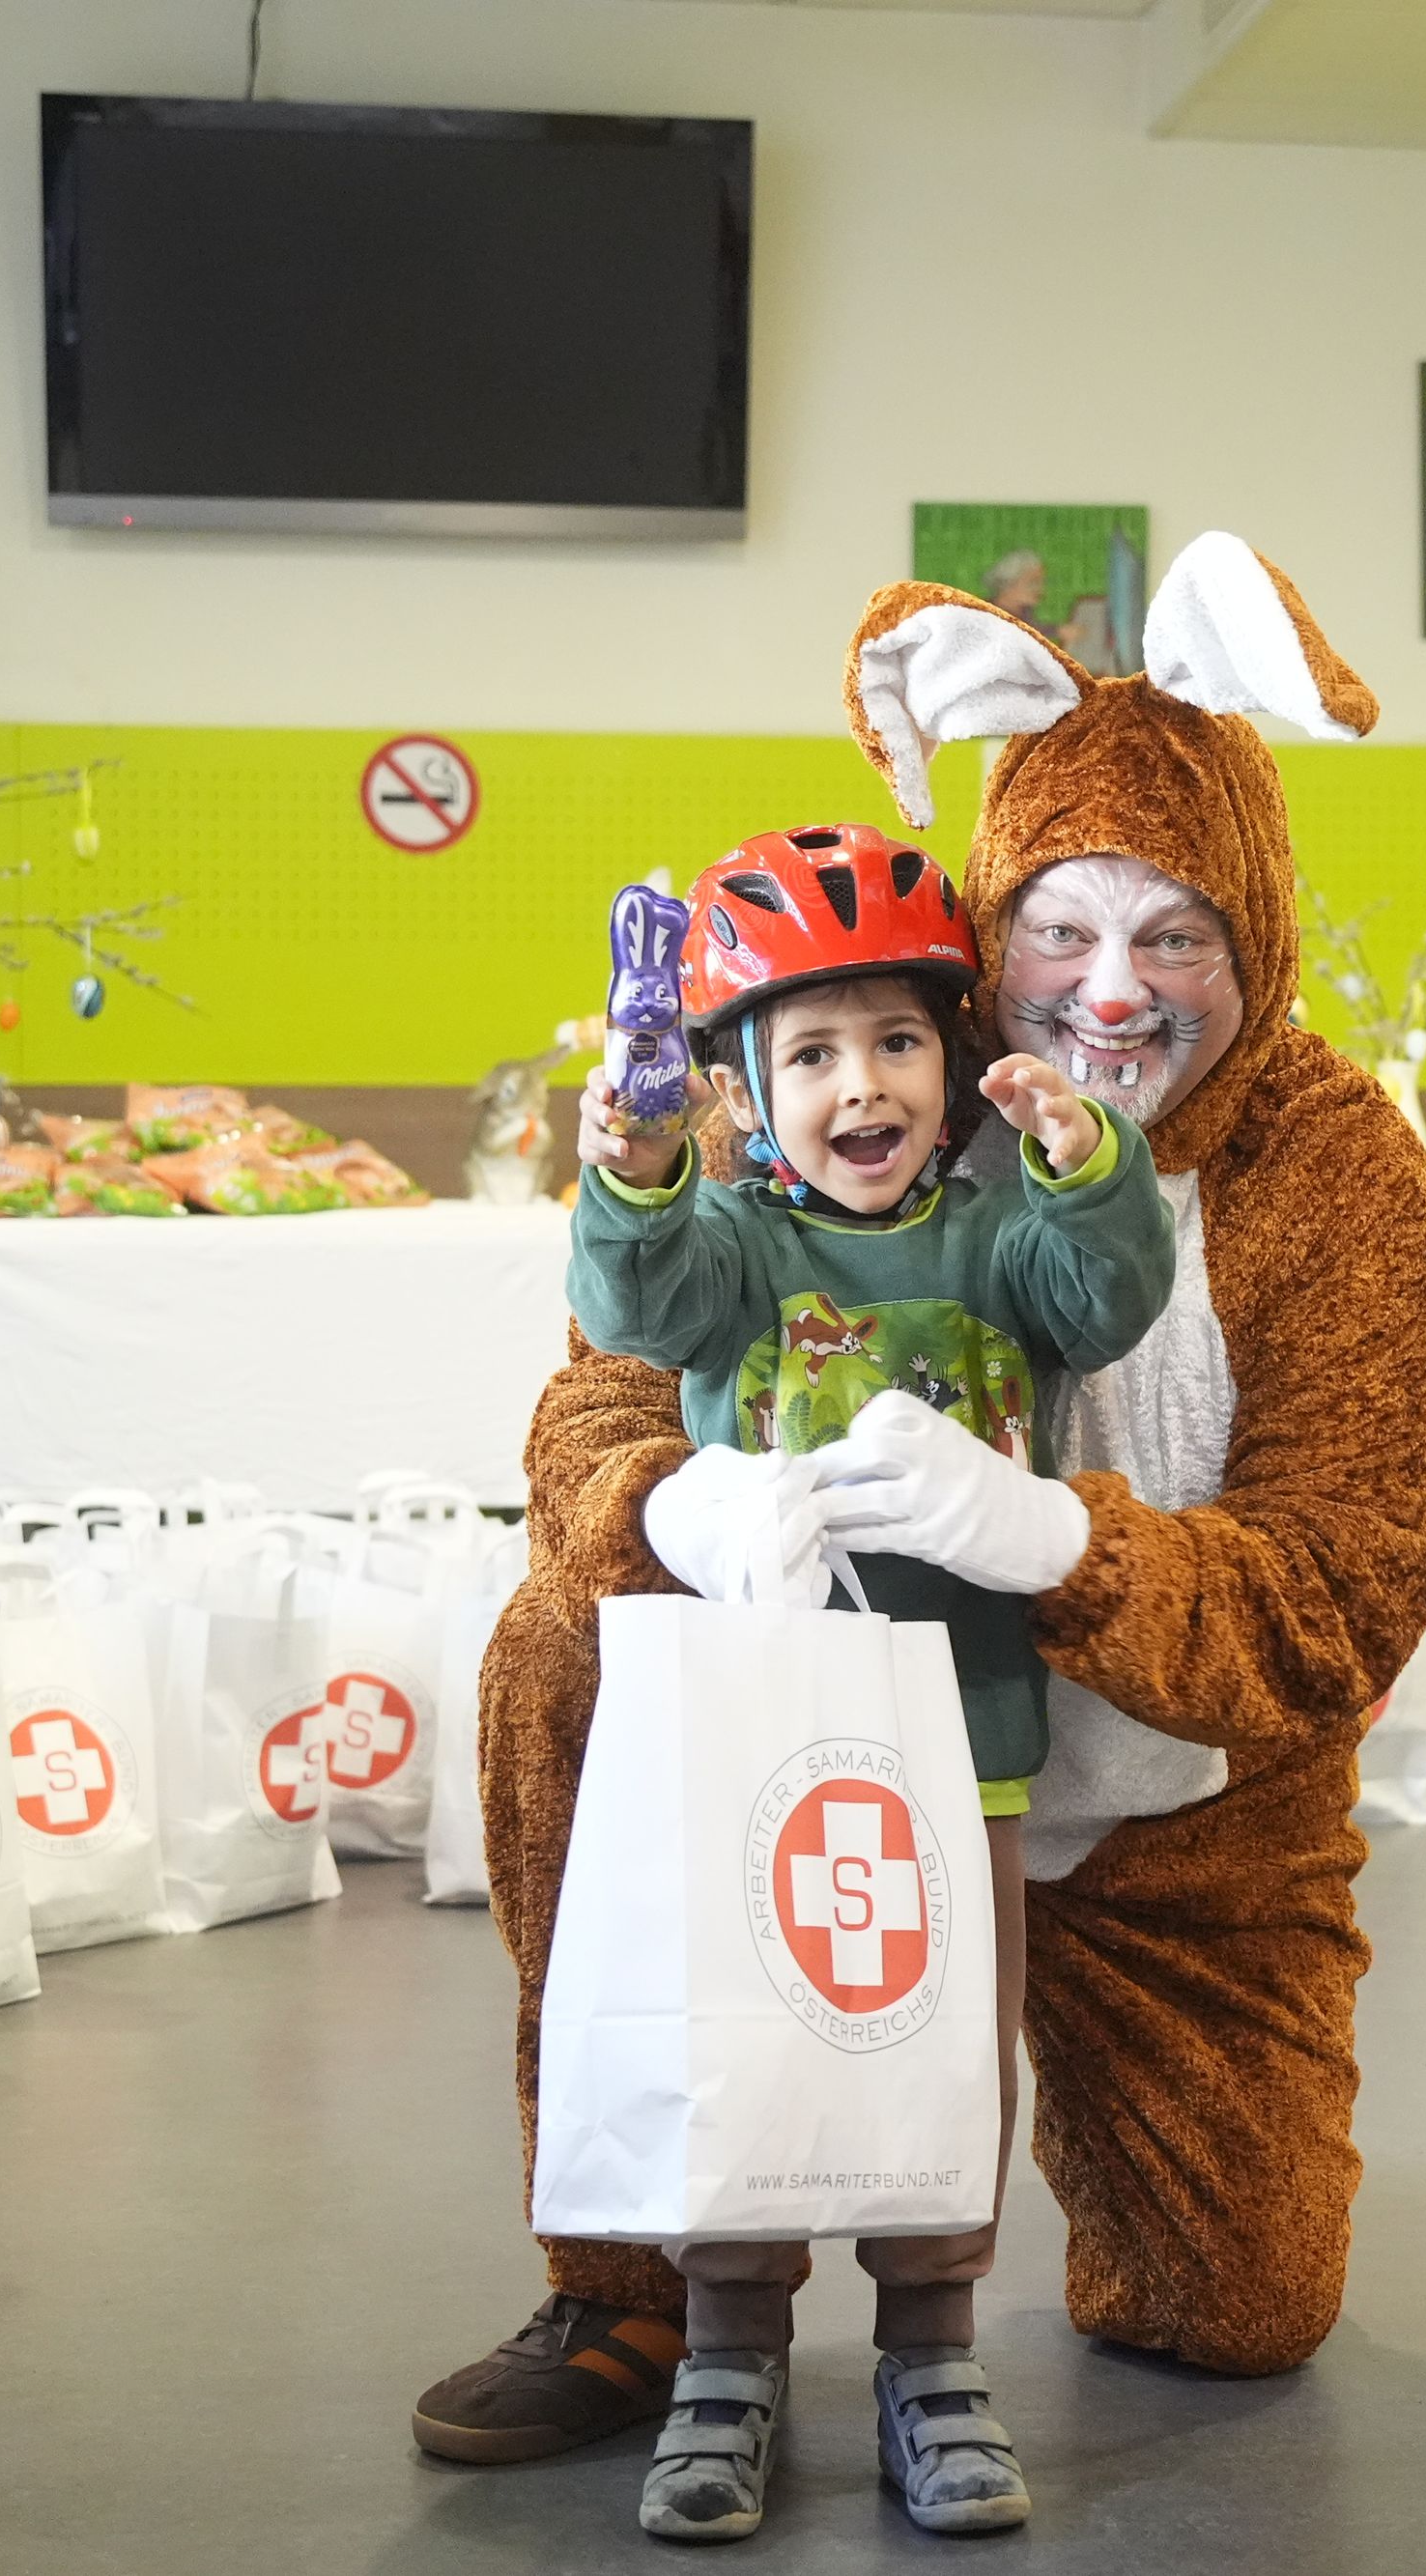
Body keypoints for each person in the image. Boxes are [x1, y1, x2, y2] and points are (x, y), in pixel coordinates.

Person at [418, 532, 1426, 2523]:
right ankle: (637, 2293)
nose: (1113, 988)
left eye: (1179, 934)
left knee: (1232, 2301)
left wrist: (1063, 1547)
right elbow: (597, 1392)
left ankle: (945, 2279)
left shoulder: (1334, 1167)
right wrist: (671, 1498)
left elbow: (1349, 1585)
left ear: (1260, 936)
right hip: (819, 1725)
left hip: (1178, 1812)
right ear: (991, 930)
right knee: (563, 1633)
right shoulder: (852, 1058)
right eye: (1064, 925)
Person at [562, 820, 1175, 2542]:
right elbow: (632, 1291)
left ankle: (933, 2346)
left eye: (898, 1039)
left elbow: (1109, 1294)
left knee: (944, 2060)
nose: (864, 1084)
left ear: (957, 1059)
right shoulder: (741, 1253)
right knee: (751, 2040)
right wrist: (635, 1156)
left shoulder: (993, 1249)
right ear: (752, 1095)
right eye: (813, 1052)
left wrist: (1083, 1163)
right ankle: (733, 2349)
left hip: (959, 1747)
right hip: (757, 1739)